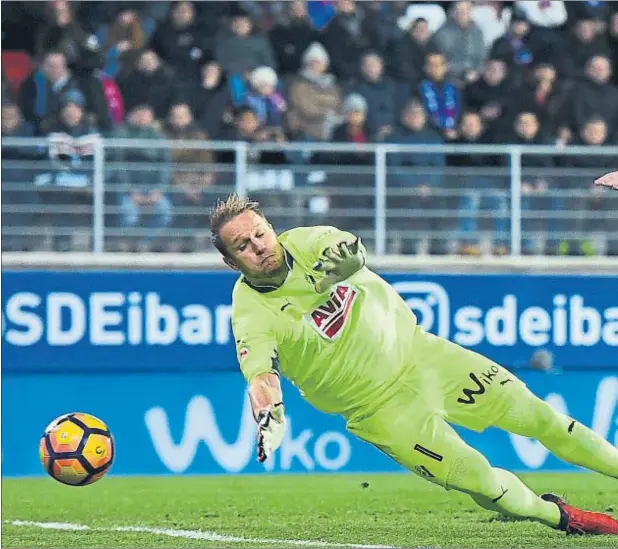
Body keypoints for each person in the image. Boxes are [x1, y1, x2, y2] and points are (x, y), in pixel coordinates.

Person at [210, 194, 618, 536]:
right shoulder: (250, 313)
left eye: (260, 233)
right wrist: (269, 409)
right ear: (232, 262)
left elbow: (350, 251)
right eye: (243, 245)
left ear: (271, 228)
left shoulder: (308, 241)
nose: (258, 245)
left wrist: (340, 266)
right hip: (380, 411)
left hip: (425, 358)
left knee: (541, 417)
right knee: (481, 480)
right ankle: (562, 516)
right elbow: (261, 373)